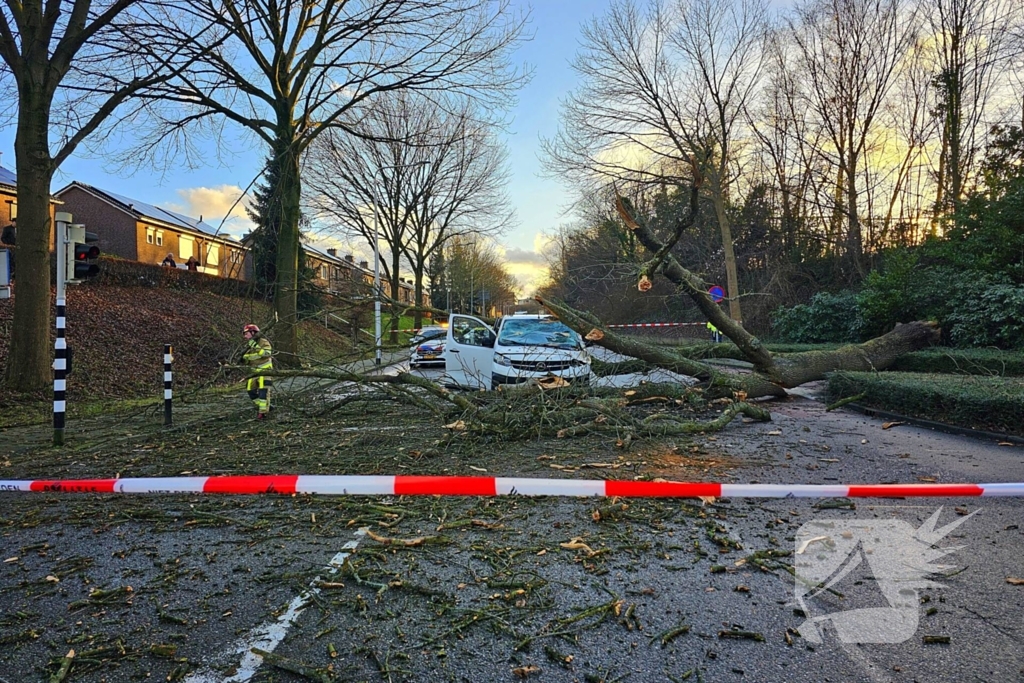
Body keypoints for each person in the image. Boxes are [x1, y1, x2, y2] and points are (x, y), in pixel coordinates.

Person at [242, 323, 273, 419]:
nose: (245, 336)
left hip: (265, 371)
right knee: (250, 390)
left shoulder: (263, 342)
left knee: (263, 392)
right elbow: (247, 359)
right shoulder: (248, 346)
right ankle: (267, 407)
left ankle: (262, 413)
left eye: (246, 333)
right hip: (254, 372)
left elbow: (267, 353)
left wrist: (256, 346)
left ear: (253, 332)